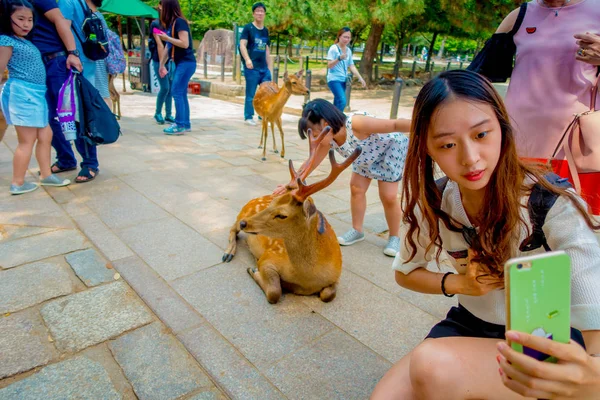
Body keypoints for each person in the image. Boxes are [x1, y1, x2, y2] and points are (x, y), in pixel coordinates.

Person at [371, 70, 600, 399]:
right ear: (427, 149)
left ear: (503, 129)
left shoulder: (550, 203)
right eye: (448, 144)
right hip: (470, 322)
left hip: (543, 337)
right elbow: (405, 273)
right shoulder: (437, 201)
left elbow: (593, 311)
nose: (470, 158)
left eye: (481, 135)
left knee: (433, 367)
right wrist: (459, 284)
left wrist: (588, 375)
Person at [496, 0, 600, 214]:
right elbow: (479, 77)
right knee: (519, 225)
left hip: (577, 150)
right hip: (517, 147)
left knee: (576, 228)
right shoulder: (520, 15)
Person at [274, 99, 411, 257]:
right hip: (363, 156)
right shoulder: (327, 139)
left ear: (326, 123)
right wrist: (290, 184)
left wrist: (425, 124)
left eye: (317, 135)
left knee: (388, 196)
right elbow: (311, 162)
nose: (316, 140)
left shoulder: (357, 123)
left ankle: (394, 237)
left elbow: (394, 125)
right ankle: (357, 230)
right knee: (356, 189)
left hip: (389, 151)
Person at [0, 0, 70, 194]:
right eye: (20, 19)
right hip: (23, 94)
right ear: (8, 19)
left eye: (30, 20)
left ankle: (46, 175)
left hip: (36, 94)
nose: (26, 24)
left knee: (46, 135)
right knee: (27, 141)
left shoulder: (24, 41)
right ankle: (17, 182)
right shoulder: (6, 41)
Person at [30, 0, 101, 183]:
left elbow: (60, 20)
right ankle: (66, 159)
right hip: (36, 65)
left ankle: (90, 163)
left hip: (57, 62)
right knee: (47, 118)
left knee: (71, 114)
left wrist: (72, 52)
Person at [157, 0, 196, 135]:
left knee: (176, 91)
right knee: (181, 93)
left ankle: (180, 124)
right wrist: (161, 65)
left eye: (162, 6)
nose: (159, 8)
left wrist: (167, 38)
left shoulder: (179, 22)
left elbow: (184, 43)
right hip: (182, 63)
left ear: (168, 7)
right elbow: (168, 49)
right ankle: (185, 123)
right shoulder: (172, 24)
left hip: (186, 62)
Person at [239, 2, 272, 126]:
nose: (259, 13)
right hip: (252, 68)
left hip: (264, 69)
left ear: (264, 14)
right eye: (257, 11)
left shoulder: (265, 31)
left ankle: (263, 115)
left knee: (266, 94)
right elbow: (242, 45)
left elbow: (267, 49)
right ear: (253, 14)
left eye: (262, 11)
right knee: (251, 94)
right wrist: (247, 60)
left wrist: (269, 67)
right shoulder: (248, 28)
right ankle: (248, 116)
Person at [326, 27, 365, 111]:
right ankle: (337, 121)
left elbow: (351, 65)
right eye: (344, 37)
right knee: (342, 101)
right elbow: (329, 65)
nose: (346, 39)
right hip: (334, 79)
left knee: (337, 102)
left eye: (348, 37)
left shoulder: (348, 51)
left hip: (343, 79)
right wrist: (339, 58)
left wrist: (360, 78)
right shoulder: (333, 48)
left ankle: (331, 120)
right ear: (339, 36)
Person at [149, 1, 174, 125]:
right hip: (159, 60)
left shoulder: (172, 24)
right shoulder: (155, 24)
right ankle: (158, 113)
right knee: (165, 87)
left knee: (170, 88)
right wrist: (161, 65)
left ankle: (168, 114)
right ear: (159, 6)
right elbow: (159, 45)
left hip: (171, 60)